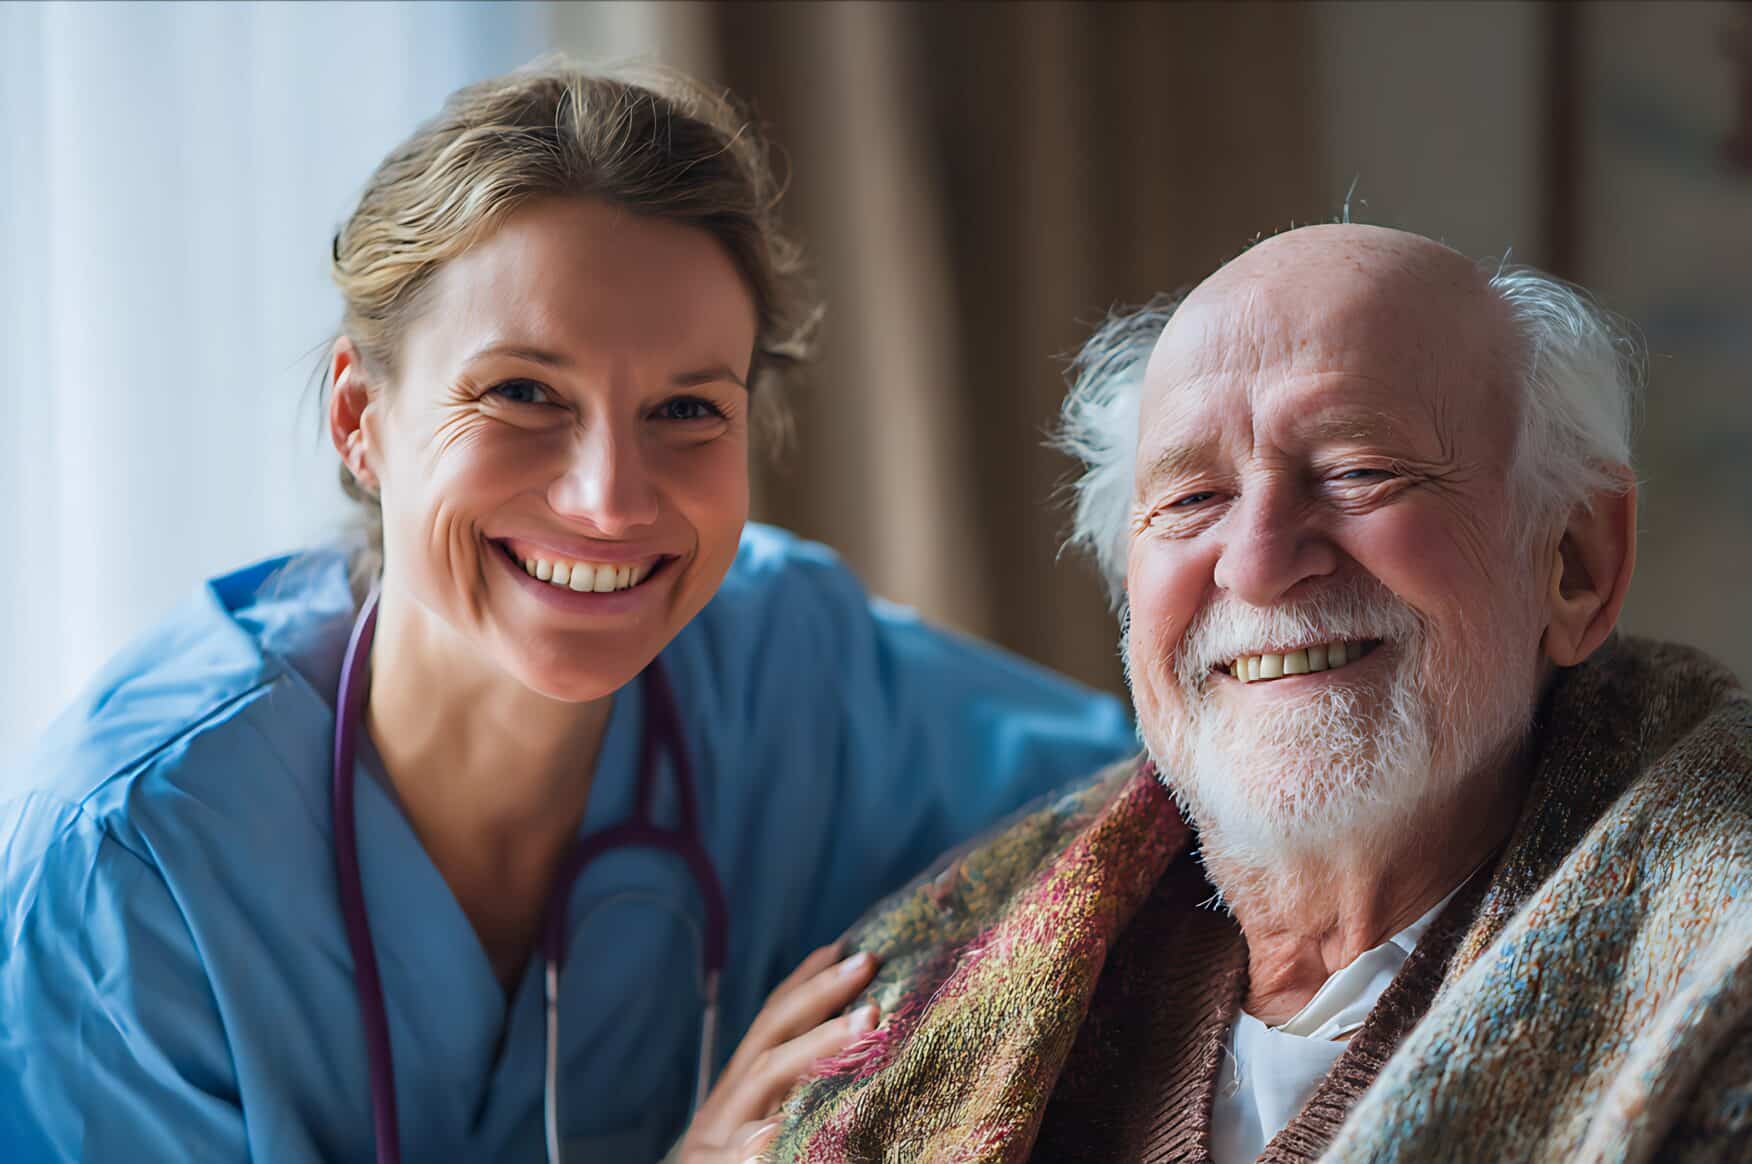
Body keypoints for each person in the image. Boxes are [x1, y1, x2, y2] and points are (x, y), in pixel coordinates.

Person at [0, 62, 1138, 1164]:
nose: (609, 500)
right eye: (523, 392)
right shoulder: (129, 865)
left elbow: (1170, 793)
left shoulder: (791, 667)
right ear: (361, 419)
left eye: (687, 408)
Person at [772, 225, 1752, 1161]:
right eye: (1193, 498)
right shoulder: (910, 999)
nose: (1257, 562)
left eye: (1361, 470)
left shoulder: (1723, 977)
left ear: (1576, 561)